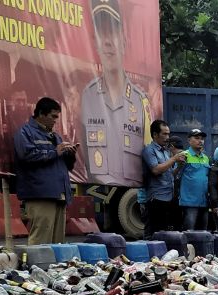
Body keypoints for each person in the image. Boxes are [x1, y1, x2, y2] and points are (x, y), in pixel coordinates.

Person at [81, 0, 153, 185]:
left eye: (112, 32)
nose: (107, 42)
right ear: (95, 44)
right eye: (101, 33)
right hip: (95, 189)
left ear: (123, 41)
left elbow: (149, 150)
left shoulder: (141, 101)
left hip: (133, 191)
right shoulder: (87, 97)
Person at [13, 97, 77, 245]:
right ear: (41, 113)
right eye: (53, 116)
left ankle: (53, 268)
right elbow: (26, 156)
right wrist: (55, 152)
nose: (55, 120)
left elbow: (66, 166)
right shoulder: (25, 132)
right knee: (41, 241)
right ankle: (37, 267)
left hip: (59, 194)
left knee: (57, 243)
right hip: (40, 194)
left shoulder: (56, 136)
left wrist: (70, 155)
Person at [141, 120, 184, 237]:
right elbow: (155, 170)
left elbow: (170, 174)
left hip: (168, 197)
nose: (167, 137)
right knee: (154, 234)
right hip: (156, 198)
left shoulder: (165, 152)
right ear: (155, 135)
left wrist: (179, 166)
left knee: (164, 234)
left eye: (168, 134)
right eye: (164, 134)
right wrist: (174, 159)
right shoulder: (149, 150)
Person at [179, 129, 211, 230]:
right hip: (190, 202)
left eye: (202, 139)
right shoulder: (184, 156)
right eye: (196, 138)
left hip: (204, 201)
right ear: (189, 140)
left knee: (203, 233)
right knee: (189, 232)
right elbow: (176, 176)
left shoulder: (205, 158)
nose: (200, 141)